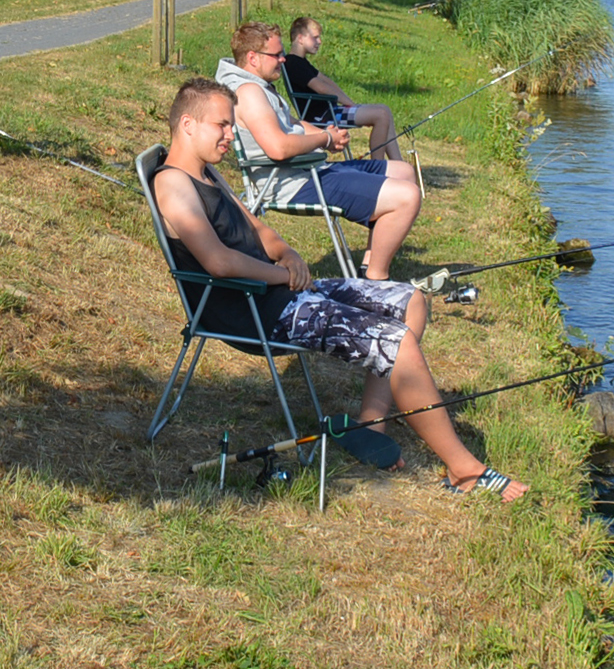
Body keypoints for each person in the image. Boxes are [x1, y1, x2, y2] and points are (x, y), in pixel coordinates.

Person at [153, 77, 524, 499]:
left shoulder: (207, 173)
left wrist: (288, 254)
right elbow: (217, 261)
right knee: (396, 342)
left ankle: (370, 424)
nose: (230, 134)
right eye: (221, 125)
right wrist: (280, 275)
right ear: (187, 124)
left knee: (411, 301)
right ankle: (465, 470)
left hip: (279, 294)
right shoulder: (173, 184)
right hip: (254, 311)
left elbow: (258, 228)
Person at [215, 20, 422, 282]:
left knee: (403, 171)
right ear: (253, 57)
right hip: (292, 182)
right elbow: (278, 148)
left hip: (307, 170)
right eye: (276, 55)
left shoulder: (257, 85)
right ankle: (376, 280)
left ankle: (367, 267)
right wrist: (324, 138)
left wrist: (328, 136)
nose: (282, 60)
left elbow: (291, 123)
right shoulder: (249, 93)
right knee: (408, 196)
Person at [282, 14, 397, 157]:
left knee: (385, 111)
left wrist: (350, 103)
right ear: (300, 38)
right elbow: (322, 88)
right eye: (315, 37)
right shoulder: (293, 63)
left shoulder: (301, 62)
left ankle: (398, 162)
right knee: (381, 114)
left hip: (331, 111)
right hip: (323, 117)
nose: (320, 41)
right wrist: (350, 104)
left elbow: (327, 81)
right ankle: (378, 167)